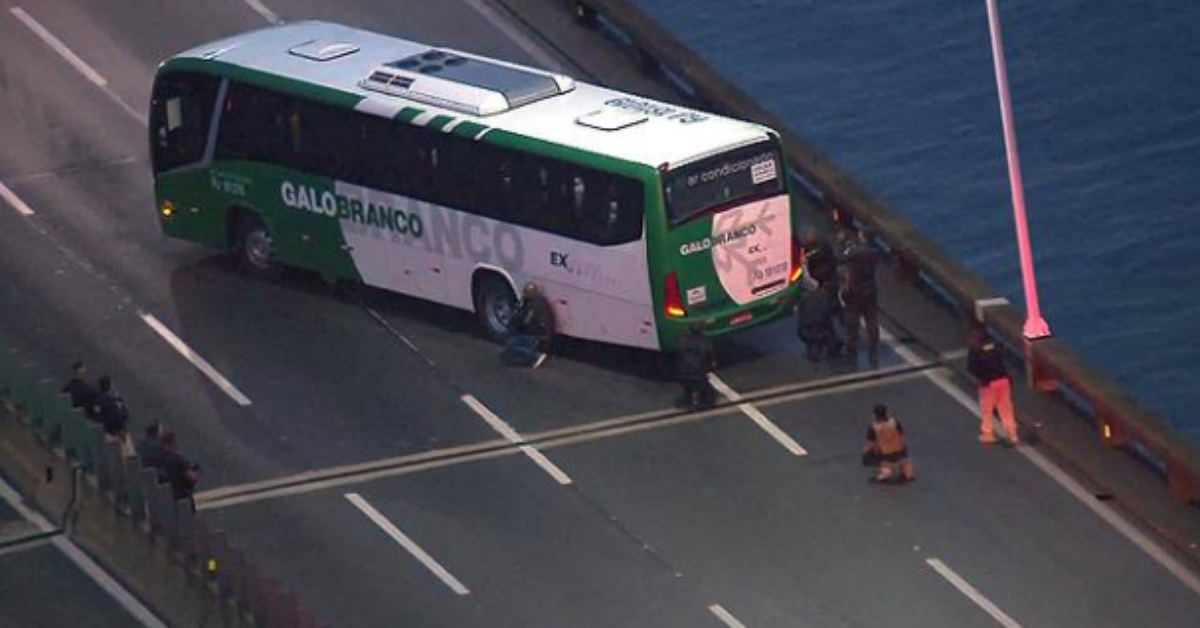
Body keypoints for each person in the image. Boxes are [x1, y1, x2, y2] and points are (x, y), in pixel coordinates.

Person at [967, 326, 1019, 445]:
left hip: (988, 383)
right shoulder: (996, 344)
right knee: (1005, 407)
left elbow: (971, 367)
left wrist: (980, 377)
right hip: (1003, 379)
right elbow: (1001, 357)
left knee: (987, 409)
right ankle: (1012, 434)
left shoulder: (975, 349)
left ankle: (988, 433)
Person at [839, 228, 881, 368]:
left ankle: (851, 353)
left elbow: (842, 258)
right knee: (872, 321)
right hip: (870, 291)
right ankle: (874, 349)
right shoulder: (874, 253)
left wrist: (846, 243)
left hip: (854, 292)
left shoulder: (854, 252)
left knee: (852, 323)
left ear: (863, 237)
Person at [504, 282, 556, 369]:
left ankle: (536, 356)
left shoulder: (534, 305)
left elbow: (526, 321)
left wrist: (520, 307)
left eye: (525, 292)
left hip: (540, 335)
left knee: (511, 343)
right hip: (542, 332)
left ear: (530, 293)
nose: (523, 294)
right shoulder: (538, 300)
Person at [863, 403, 915, 484]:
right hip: (901, 452)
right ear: (886, 412)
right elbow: (901, 436)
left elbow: (870, 445)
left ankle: (885, 472)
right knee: (904, 459)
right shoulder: (895, 421)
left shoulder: (873, 427)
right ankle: (908, 472)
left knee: (871, 454)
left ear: (874, 415)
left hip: (887, 455)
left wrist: (865, 453)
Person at [795, 281, 842, 361]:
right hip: (824, 328)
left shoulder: (802, 301)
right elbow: (835, 309)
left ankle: (816, 353)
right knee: (834, 348)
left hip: (809, 331)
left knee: (814, 354)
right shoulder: (825, 296)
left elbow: (799, 318)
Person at [674, 322, 717, 410]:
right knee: (706, 390)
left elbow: (677, 353)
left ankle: (687, 401)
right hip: (698, 372)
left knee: (688, 389)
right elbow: (709, 357)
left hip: (683, 372)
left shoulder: (682, 340)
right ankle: (705, 402)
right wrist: (710, 365)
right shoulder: (704, 341)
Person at [159, 432, 200, 512]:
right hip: (182, 496)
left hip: (166, 499)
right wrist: (197, 471)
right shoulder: (178, 461)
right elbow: (192, 478)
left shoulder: (161, 460)